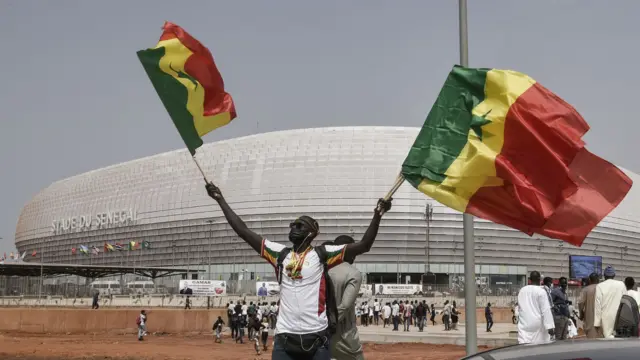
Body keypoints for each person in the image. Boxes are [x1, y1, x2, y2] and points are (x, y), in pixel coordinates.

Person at [205, 182, 392, 360]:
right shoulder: (279, 254)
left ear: (312, 232)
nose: (293, 228)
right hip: (285, 339)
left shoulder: (322, 255)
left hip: (317, 339)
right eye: (293, 226)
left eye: (299, 226)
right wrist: (220, 199)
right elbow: (244, 232)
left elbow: (364, 245)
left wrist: (378, 214)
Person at [327, 235, 364, 360]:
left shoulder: (323, 270)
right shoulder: (353, 273)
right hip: (345, 337)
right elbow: (344, 306)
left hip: (321, 337)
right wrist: (329, 325)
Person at [516, 271, 555, 344]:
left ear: (530, 279)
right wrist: (550, 327)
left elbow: (519, 308)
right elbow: (546, 310)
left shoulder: (522, 290)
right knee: (538, 351)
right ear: (540, 279)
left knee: (524, 349)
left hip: (524, 325)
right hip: (538, 327)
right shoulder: (541, 291)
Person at [594, 265, 627, 338]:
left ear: (604, 275)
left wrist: (597, 323)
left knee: (608, 341)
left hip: (606, 318)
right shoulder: (621, 284)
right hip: (619, 317)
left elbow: (598, 306)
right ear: (614, 275)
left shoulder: (600, 286)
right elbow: (625, 302)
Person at [578, 272, 601, 338]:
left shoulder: (585, 290)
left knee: (592, 341)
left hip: (590, 319)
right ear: (598, 280)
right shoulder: (603, 289)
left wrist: (581, 314)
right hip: (602, 319)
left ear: (590, 280)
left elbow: (580, 303)